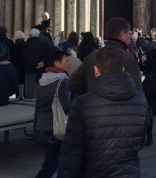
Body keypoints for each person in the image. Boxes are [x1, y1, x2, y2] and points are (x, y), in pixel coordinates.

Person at [57, 46, 148, 177]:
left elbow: (71, 153)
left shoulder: (82, 104)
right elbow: (140, 142)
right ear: (122, 68)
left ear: (96, 71)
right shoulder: (141, 101)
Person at [69, 17, 142, 95]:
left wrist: (89, 97)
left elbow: (73, 84)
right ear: (122, 34)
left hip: (94, 105)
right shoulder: (128, 59)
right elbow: (138, 91)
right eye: (129, 33)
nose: (130, 37)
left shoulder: (91, 57)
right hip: (122, 106)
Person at [34, 48, 72, 178]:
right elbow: (66, 106)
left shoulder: (43, 80)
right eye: (66, 60)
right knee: (51, 164)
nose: (69, 63)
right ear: (57, 63)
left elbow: (38, 105)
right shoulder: (63, 81)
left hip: (42, 126)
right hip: (57, 127)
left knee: (54, 162)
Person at [24, 28, 52, 99]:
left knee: (30, 87)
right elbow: (49, 55)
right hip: (42, 68)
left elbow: (25, 57)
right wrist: (43, 63)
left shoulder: (27, 43)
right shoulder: (44, 43)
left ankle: (30, 100)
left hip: (30, 69)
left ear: (30, 35)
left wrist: (35, 64)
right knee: (41, 86)